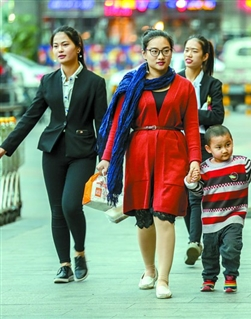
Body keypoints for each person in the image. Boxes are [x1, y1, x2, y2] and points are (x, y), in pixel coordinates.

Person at [96, 28, 201, 299]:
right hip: (139, 153)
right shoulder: (131, 83)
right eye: (154, 51)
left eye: (166, 50)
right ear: (143, 54)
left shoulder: (184, 86)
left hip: (172, 153)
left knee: (164, 215)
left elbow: (191, 127)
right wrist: (107, 158)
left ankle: (164, 279)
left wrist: (195, 161)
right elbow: (119, 126)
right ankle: (149, 270)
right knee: (143, 217)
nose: (160, 56)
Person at [0, 25, 107, 283]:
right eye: (56, 45)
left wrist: (105, 157)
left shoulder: (95, 83)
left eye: (65, 44)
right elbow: (30, 117)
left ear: (78, 48)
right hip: (52, 152)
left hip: (83, 152)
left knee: (71, 205)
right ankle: (64, 265)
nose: (60, 49)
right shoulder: (47, 81)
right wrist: (5, 147)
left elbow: (102, 124)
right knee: (57, 210)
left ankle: (79, 252)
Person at [184, 125, 251, 293]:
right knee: (210, 254)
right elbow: (198, 192)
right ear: (208, 148)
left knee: (231, 248)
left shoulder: (242, 163)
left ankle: (230, 276)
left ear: (232, 142)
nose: (224, 150)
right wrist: (190, 181)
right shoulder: (204, 169)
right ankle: (209, 278)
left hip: (233, 218)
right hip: (210, 221)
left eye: (228, 144)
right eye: (218, 147)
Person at [178, 34, 225, 266]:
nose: (188, 54)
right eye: (186, 50)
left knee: (196, 193)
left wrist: (187, 114)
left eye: (194, 51)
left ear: (205, 56)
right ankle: (195, 241)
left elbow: (217, 116)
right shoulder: (173, 80)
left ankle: (194, 241)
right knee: (186, 197)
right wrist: (197, 115)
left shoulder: (212, 84)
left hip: (202, 143)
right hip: (177, 143)